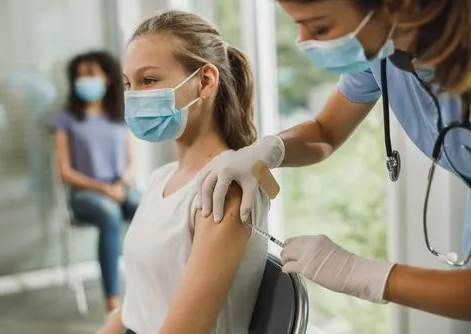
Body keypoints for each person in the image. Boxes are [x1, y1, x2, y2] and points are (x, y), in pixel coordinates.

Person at [196, 0, 471, 321]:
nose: (304, 41)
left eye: (320, 27)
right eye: (297, 25)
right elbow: (326, 131)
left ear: (397, 6)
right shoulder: (383, 51)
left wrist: (363, 275)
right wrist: (268, 150)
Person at [98, 10, 269, 334]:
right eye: (128, 83)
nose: (134, 96)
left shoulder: (224, 189)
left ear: (205, 81)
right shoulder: (162, 178)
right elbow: (137, 303)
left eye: (148, 80)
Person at [51, 51, 140, 311]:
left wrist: (121, 185)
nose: (83, 80)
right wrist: (104, 188)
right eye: (78, 76)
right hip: (85, 194)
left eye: (90, 74)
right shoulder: (65, 120)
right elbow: (65, 172)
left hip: (119, 187)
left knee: (147, 208)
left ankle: (152, 282)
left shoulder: (119, 117)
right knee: (110, 214)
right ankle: (112, 300)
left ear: (108, 78)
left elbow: (132, 163)